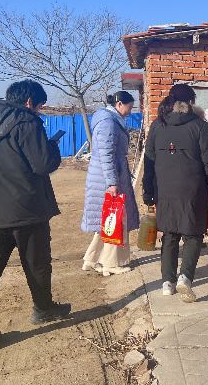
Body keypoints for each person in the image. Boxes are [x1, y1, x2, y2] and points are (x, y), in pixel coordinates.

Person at [0, 79, 71, 352]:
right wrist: (52, 147)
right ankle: (43, 309)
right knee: (37, 264)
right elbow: (43, 164)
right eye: (39, 106)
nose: (39, 111)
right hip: (26, 210)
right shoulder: (27, 121)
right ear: (29, 102)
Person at [142, 84, 208, 303]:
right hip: (193, 190)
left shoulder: (157, 125)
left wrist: (148, 191)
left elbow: (149, 163)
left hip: (164, 190)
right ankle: (185, 277)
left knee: (169, 234)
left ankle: (167, 283)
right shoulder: (199, 126)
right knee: (193, 234)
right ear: (191, 102)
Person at [81, 91, 140, 276]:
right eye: (129, 107)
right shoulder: (108, 122)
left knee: (106, 220)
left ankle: (91, 259)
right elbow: (106, 155)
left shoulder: (109, 120)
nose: (130, 111)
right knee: (116, 219)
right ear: (119, 104)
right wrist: (112, 183)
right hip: (108, 178)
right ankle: (111, 263)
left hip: (107, 176)